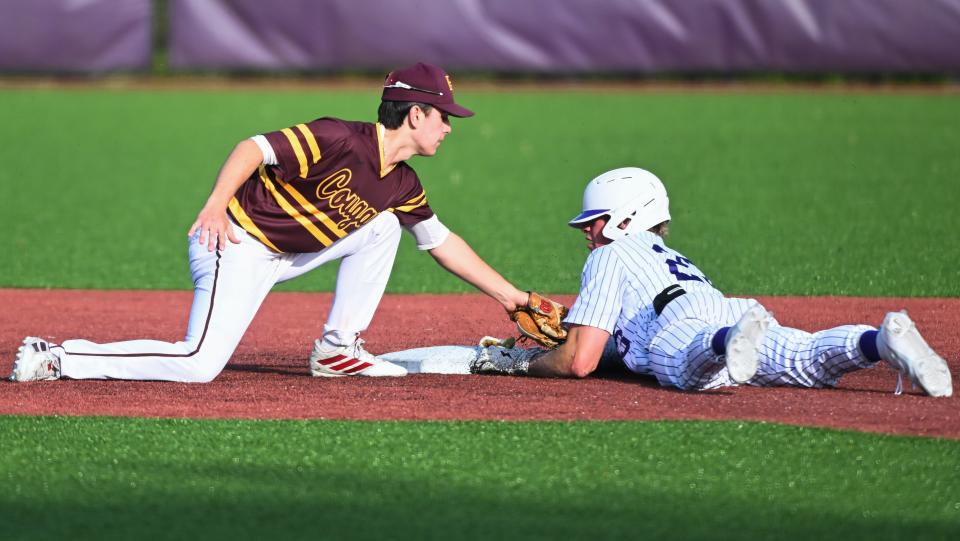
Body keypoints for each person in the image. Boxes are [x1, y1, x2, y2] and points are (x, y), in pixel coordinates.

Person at [10, 62, 530, 383]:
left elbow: (440, 243)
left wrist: (513, 298)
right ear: (415, 114)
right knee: (198, 364)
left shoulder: (403, 183)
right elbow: (254, 147)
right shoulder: (340, 138)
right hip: (235, 243)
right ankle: (58, 355)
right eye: (444, 116)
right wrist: (216, 203)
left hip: (289, 254)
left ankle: (337, 351)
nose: (449, 127)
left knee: (384, 226)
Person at [470, 167, 953, 398]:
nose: (588, 232)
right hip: (724, 305)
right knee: (805, 359)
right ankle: (878, 341)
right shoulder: (668, 254)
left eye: (596, 221)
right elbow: (610, 346)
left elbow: (580, 362)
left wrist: (525, 363)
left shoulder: (610, 256)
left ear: (624, 219)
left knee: (685, 366)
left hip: (686, 326)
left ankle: (726, 344)